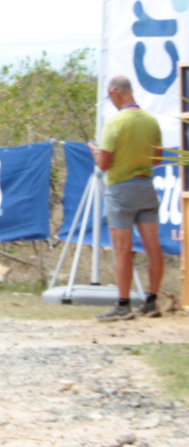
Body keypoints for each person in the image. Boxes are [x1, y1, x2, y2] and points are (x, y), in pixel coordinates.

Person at [88, 75, 163, 321]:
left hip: (121, 189)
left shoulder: (115, 123)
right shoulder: (151, 121)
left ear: (115, 92)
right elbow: (158, 159)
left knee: (122, 249)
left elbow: (105, 164)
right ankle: (151, 301)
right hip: (146, 185)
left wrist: (97, 153)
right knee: (153, 247)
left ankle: (123, 304)